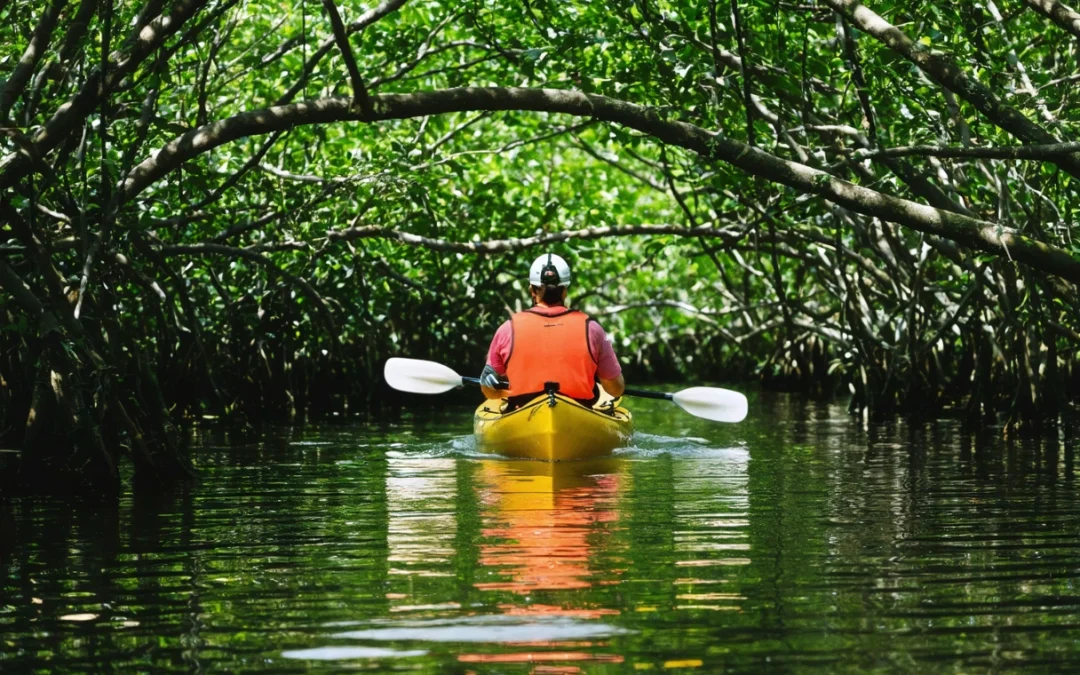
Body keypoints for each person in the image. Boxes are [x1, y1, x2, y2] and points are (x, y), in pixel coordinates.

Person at [479, 253, 625, 409]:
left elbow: (488, 390)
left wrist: (500, 391)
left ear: (531, 290)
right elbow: (616, 389)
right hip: (578, 412)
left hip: (521, 411)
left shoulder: (507, 329)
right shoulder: (592, 328)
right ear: (564, 291)